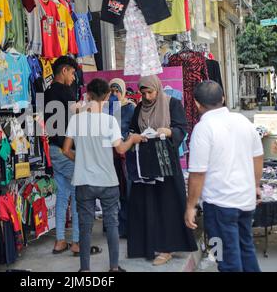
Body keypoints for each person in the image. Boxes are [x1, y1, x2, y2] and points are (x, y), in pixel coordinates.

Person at [62, 78, 143, 272]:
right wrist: (132, 139)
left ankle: (85, 270)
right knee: (112, 225)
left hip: (83, 181)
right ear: (107, 96)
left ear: (88, 95)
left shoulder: (76, 120)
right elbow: (121, 149)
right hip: (108, 181)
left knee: (85, 227)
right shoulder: (109, 121)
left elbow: (65, 150)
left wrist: (80, 159)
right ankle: (114, 268)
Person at [185, 81, 263, 272]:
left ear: (196, 103)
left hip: (219, 205)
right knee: (246, 249)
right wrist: (255, 186)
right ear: (223, 98)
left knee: (224, 258)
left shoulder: (203, 129)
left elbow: (197, 173)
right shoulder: (243, 121)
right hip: (245, 201)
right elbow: (258, 156)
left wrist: (190, 205)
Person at [127, 75, 197, 266]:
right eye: (144, 93)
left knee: (168, 204)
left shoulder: (172, 104)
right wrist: (135, 136)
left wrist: (169, 132)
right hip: (146, 164)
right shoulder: (140, 108)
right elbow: (132, 129)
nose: (148, 97)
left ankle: (167, 248)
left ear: (158, 89)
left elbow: (181, 128)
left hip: (165, 162)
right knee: (146, 203)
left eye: (150, 92)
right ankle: (148, 246)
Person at [44, 56, 82, 255]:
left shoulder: (47, 91)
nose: (74, 77)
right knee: (78, 196)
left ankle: (60, 240)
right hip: (66, 150)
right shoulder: (65, 92)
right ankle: (76, 242)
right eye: (73, 73)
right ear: (65, 70)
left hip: (52, 149)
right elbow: (77, 118)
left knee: (62, 196)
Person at [108, 78, 136, 237]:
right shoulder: (106, 108)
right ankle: (114, 225)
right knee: (114, 191)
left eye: (117, 90)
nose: (114, 94)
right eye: (111, 90)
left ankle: (128, 226)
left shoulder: (130, 107)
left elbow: (133, 129)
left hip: (126, 153)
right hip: (110, 155)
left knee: (127, 190)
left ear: (123, 91)